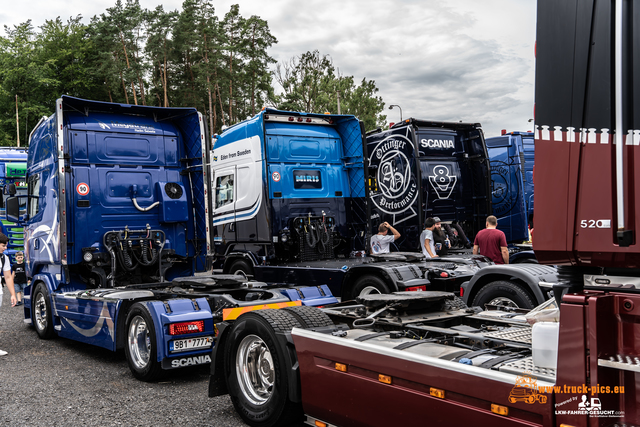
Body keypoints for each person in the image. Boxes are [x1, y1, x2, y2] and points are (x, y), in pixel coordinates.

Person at [0, 233, 17, 356]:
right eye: (3, 245)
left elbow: (7, 277)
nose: (5, 248)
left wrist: (13, 294)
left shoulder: (3, 258)